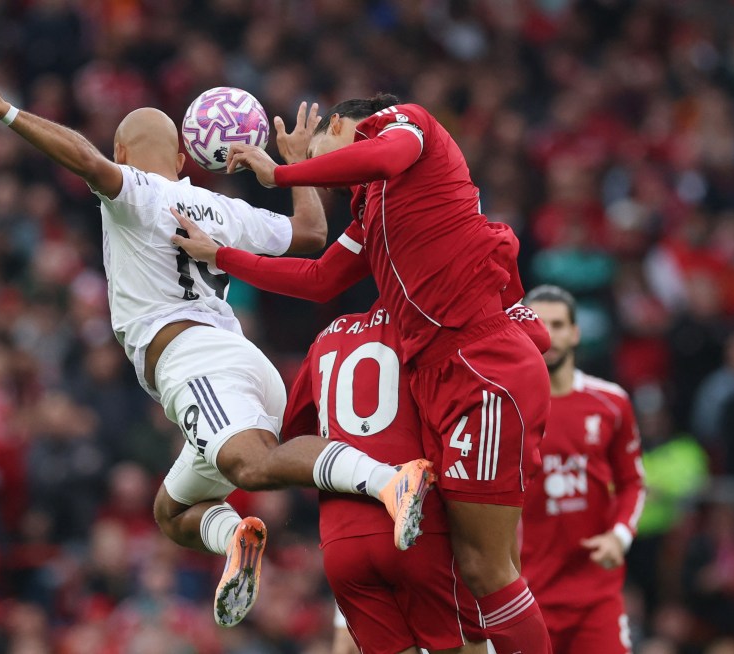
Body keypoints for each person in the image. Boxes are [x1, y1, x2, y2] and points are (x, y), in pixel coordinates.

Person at [0, 53, 434, 628]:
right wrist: (296, 166)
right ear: (183, 158)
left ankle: (389, 479)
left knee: (250, 468)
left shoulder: (134, 193)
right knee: (172, 510)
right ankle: (236, 535)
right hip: (242, 363)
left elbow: (82, 157)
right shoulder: (225, 209)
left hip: (194, 362)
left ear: (122, 155)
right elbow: (311, 233)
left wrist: (4, 111)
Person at [174, 93, 553, 651]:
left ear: (344, 125)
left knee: (486, 567)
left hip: (481, 367)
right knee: (474, 567)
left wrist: (281, 172)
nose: (326, 177)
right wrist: (222, 256)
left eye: (322, 147)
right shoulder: (371, 209)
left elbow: (382, 156)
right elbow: (321, 278)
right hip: (437, 378)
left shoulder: (407, 125)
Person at [284, 301, 489, 654]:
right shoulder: (425, 326)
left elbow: (295, 434)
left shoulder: (326, 337)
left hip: (340, 540)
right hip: (416, 525)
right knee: (463, 646)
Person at [522, 285, 646, 654]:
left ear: (575, 332)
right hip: (526, 597)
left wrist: (619, 537)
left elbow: (633, 483)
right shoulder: (505, 409)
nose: (549, 335)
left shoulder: (611, 403)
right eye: (538, 324)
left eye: (558, 324)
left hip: (596, 597)